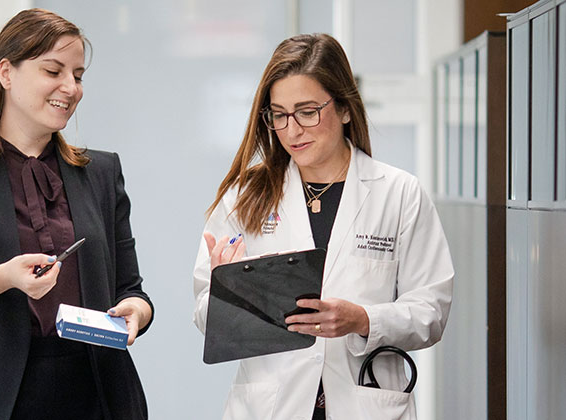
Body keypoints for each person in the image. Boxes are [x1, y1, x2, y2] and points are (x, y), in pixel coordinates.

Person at [0, 9, 153, 420]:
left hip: (97, 395)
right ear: (6, 73)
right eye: (53, 71)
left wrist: (136, 314)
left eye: (78, 75)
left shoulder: (102, 173)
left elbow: (132, 290)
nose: (69, 88)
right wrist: (4, 278)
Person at [193, 33, 453, 420]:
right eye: (278, 115)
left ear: (345, 108)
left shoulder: (399, 193)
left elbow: (431, 310)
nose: (292, 130)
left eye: (307, 111)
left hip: (364, 401)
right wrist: (225, 294)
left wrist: (364, 320)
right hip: (272, 405)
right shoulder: (244, 196)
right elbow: (202, 315)